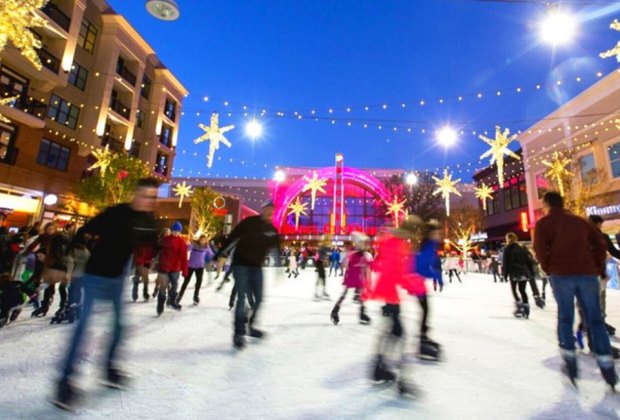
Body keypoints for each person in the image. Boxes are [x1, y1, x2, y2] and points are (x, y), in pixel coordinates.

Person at [53, 178, 158, 411]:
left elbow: (152, 245)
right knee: (83, 329)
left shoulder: (148, 222)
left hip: (117, 280)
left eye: (151, 197)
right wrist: (66, 262)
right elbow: (84, 231)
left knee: (120, 326)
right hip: (95, 276)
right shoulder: (116, 213)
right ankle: (65, 383)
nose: (146, 200)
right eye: (143, 195)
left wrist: (146, 265)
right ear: (135, 194)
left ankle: (109, 369)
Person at [533, 192, 617, 389]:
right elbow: (599, 243)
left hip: (561, 275)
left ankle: (570, 362)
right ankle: (607, 367)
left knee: (565, 317)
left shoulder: (544, 224)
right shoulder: (580, 222)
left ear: (546, 204)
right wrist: (599, 268)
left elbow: (539, 249)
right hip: (587, 274)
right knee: (595, 320)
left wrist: (549, 268)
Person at [364, 218, 425, 396]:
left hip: (388, 294)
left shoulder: (392, 242)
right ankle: (401, 380)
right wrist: (413, 285)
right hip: (390, 295)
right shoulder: (398, 244)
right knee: (398, 333)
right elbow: (396, 272)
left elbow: (384, 265)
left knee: (392, 332)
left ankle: (379, 367)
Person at [215, 201, 280, 350]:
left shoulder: (272, 230)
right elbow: (233, 237)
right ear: (262, 209)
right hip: (241, 265)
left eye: (272, 211)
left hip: (257, 267)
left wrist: (279, 267)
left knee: (259, 299)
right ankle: (238, 333)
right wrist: (221, 253)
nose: (270, 213)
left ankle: (251, 326)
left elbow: (276, 248)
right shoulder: (249, 223)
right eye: (267, 209)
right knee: (242, 298)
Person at [587, 215, 620, 336]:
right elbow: (614, 251)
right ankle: (598, 322)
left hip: (586, 273)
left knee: (593, 299)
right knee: (600, 297)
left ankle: (592, 323)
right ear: (598, 224)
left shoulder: (582, 236)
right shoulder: (602, 237)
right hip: (598, 272)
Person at [330, 232, 372, 326]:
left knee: (357, 295)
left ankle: (360, 313)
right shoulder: (358, 255)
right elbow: (344, 265)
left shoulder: (363, 255)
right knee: (349, 295)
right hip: (354, 277)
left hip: (357, 277)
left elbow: (344, 265)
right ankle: (336, 311)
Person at [156, 221, 188, 314]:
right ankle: (160, 304)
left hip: (175, 268)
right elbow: (158, 251)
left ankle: (171, 301)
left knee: (174, 286)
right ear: (172, 230)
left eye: (178, 231)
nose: (176, 232)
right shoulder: (165, 240)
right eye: (174, 230)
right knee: (163, 287)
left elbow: (183, 257)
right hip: (164, 267)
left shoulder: (181, 242)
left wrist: (184, 270)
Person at [502, 233, 535, 319]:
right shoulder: (521, 248)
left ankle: (519, 306)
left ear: (508, 239)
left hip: (514, 272)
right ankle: (526, 308)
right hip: (523, 272)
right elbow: (528, 260)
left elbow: (505, 263)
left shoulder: (507, 249)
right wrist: (531, 272)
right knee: (522, 290)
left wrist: (505, 275)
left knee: (514, 290)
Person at [178, 235, 210, 305]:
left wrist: (216, 260)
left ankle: (196, 296)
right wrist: (186, 245)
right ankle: (180, 295)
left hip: (200, 267)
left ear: (205, 241)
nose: (202, 241)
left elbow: (211, 254)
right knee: (186, 281)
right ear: (199, 239)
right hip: (191, 266)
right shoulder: (194, 245)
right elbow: (186, 249)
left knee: (199, 282)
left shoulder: (206, 247)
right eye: (201, 239)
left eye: (204, 240)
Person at [416, 221, 443, 293]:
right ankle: (438, 285)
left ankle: (439, 285)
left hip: (431, 268)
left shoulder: (431, 245)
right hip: (427, 268)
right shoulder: (428, 245)